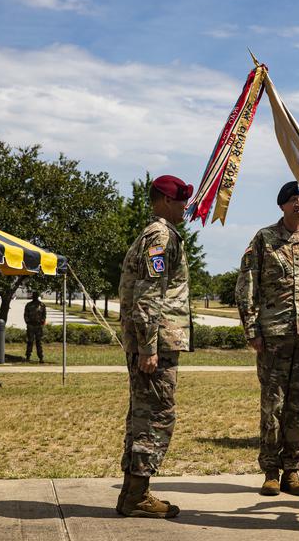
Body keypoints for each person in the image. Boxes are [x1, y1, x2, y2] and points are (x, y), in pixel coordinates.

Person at [236, 181, 299, 497]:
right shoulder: (265, 239)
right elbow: (246, 285)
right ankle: (271, 471)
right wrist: (252, 330)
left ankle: (293, 471)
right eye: (293, 200)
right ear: (282, 206)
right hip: (273, 334)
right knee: (273, 404)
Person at [115, 174, 193, 519]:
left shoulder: (158, 234)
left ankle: (134, 492)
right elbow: (148, 294)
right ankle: (137, 494)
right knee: (156, 416)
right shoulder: (160, 236)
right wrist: (148, 347)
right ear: (164, 200)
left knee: (144, 414)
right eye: (180, 200)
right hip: (155, 343)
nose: (185, 206)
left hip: (155, 341)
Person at [23, 291, 47, 362]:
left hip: (38, 326)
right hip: (31, 326)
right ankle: (28, 356)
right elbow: (25, 315)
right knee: (30, 341)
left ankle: (41, 357)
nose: (35, 297)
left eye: (36, 295)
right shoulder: (28, 305)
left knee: (39, 342)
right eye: (34, 295)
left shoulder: (42, 305)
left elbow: (44, 315)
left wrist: (42, 321)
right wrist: (28, 322)